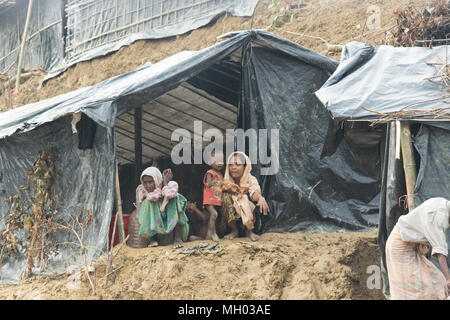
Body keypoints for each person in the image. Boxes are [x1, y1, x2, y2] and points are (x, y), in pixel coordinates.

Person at [385, 197, 450, 300]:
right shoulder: (438, 215)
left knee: (437, 281)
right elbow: (440, 251)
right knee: (417, 289)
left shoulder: (443, 204)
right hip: (399, 246)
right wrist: (448, 279)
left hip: (412, 248)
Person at [220, 151, 269, 241]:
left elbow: (254, 192)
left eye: (238, 164)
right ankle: (234, 231)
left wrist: (261, 198)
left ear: (245, 167)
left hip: (251, 222)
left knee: (247, 198)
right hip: (233, 221)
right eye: (231, 165)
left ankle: (249, 231)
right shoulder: (227, 181)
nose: (233, 167)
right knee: (225, 196)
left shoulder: (251, 179)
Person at [135, 167, 189, 248]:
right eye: (145, 182)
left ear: (157, 180)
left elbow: (168, 194)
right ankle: (153, 238)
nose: (147, 185)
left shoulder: (170, 184)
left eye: (150, 182)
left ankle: (177, 238)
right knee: (148, 202)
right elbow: (139, 212)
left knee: (175, 199)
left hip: (173, 230)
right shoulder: (142, 190)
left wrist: (165, 181)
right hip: (160, 234)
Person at [186, 152, 224, 241]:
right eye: (216, 161)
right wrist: (212, 183)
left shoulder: (220, 175)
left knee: (214, 214)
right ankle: (212, 233)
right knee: (214, 214)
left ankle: (211, 234)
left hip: (216, 200)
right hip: (209, 200)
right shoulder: (210, 173)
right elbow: (207, 183)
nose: (219, 163)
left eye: (221, 161)